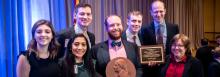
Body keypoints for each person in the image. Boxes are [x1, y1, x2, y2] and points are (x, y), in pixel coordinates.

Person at [140, 1, 179, 77]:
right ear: (151, 12)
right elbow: (144, 48)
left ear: (165, 11)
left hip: (170, 66)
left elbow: (176, 45)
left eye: (161, 11)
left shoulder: (174, 28)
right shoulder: (145, 29)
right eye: (155, 12)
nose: (158, 14)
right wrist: (148, 60)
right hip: (152, 68)